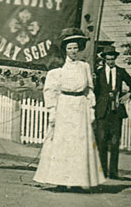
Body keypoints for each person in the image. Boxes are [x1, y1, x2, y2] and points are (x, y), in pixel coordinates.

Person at [33, 28, 105, 191]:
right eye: (70, 48)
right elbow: (50, 91)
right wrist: (52, 111)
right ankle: (60, 181)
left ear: (79, 48)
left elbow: (89, 89)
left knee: (79, 143)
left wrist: (91, 108)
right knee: (63, 143)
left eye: (75, 48)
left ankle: (78, 181)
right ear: (65, 49)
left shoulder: (84, 67)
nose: (73, 51)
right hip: (64, 106)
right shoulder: (58, 69)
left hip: (80, 107)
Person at [93, 45, 131, 179]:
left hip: (116, 111)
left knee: (114, 141)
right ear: (104, 59)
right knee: (101, 140)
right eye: (108, 59)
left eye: (113, 59)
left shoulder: (121, 72)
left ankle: (113, 172)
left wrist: (128, 95)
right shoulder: (98, 72)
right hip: (102, 111)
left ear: (115, 58)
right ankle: (102, 171)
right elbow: (94, 91)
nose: (111, 62)